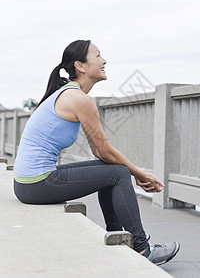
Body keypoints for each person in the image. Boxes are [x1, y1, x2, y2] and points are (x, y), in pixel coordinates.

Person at [14, 40, 180, 265]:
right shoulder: (79, 99)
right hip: (35, 184)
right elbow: (105, 151)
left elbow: (100, 153)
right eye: (98, 55)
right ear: (80, 66)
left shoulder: (70, 95)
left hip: (28, 183)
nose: (104, 60)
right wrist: (138, 173)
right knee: (118, 173)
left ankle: (120, 236)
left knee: (112, 171)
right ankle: (142, 249)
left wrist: (133, 171)